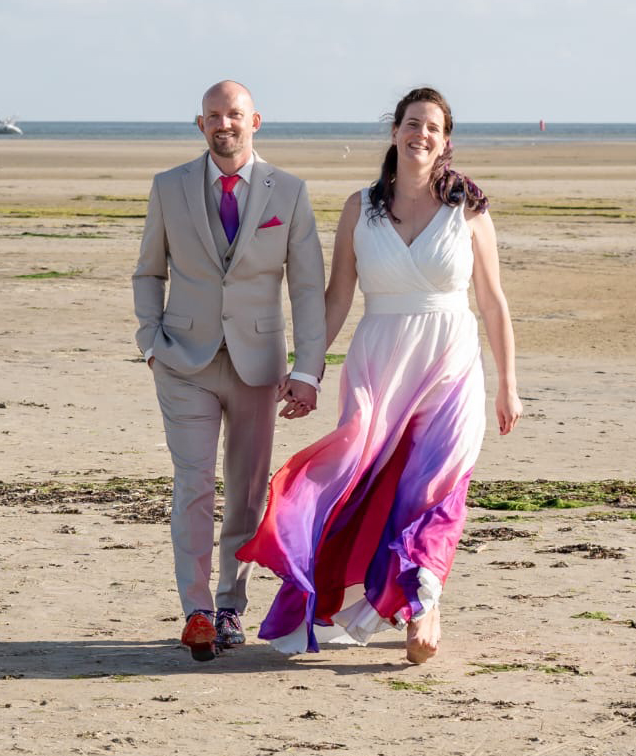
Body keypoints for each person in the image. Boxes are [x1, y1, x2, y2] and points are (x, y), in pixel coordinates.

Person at [237, 87, 521, 662]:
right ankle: (355, 588)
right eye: (412, 123)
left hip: (452, 359)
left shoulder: (468, 208)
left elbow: (492, 302)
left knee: (434, 485)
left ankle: (424, 602)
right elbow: (337, 298)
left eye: (434, 127)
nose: (422, 134)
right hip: (379, 362)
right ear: (395, 132)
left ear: (446, 141)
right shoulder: (359, 207)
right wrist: (306, 371)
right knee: (355, 476)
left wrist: (508, 383)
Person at [133, 80, 327, 661]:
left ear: (255, 121)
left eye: (235, 114)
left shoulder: (289, 193)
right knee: (193, 484)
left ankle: (228, 606)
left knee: (246, 494)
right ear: (200, 124)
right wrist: (149, 341)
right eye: (214, 115)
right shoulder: (168, 188)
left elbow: (309, 289)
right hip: (183, 362)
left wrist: (308, 370)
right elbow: (148, 272)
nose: (225, 124)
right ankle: (195, 610)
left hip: (257, 367)